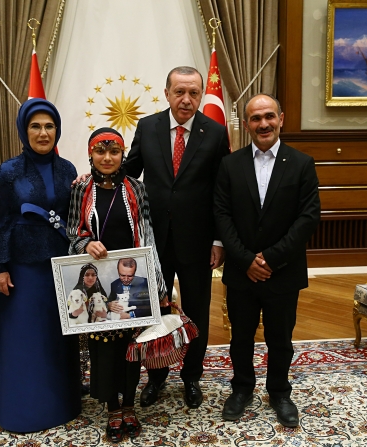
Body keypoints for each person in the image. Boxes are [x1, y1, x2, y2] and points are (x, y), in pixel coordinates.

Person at [0, 98, 81, 433]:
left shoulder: (68, 170)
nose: (43, 133)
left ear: (57, 130)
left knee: (58, 336)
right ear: (23, 130)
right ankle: (26, 410)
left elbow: (75, 215)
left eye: (49, 126)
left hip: (61, 266)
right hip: (23, 269)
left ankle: (64, 403)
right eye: (35, 126)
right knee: (26, 339)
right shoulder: (8, 172)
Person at [125, 66, 230, 409]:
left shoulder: (215, 133)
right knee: (154, 310)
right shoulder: (148, 127)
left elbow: (222, 191)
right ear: (167, 93)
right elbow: (129, 173)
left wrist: (218, 241)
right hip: (153, 241)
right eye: (179, 92)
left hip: (198, 242)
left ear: (201, 95)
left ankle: (192, 376)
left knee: (197, 311)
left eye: (193, 93)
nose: (186, 99)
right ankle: (156, 376)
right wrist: (97, 177)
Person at [213, 93, 321, 427]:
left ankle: (279, 392)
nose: (264, 124)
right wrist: (246, 260)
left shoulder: (302, 163)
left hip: (284, 271)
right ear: (246, 124)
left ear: (281, 119)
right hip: (241, 271)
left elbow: (308, 218)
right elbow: (222, 215)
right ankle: (242, 389)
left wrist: (271, 259)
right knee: (240, 338)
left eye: (269, 116)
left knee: (280, 339)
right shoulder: (230, 164)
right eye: (256, 118)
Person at [67, 127, 168, 443]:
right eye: (101, 151)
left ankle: (129, 405)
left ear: (123, 154)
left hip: (131, 281)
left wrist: (156, 281)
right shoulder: (81, 188)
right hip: (98, 283)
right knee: (105, 345)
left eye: (114, 152)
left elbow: (147, 233)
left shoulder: (136, 188)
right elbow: (72, 231)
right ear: (91, 155)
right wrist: (86, 244)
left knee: (130, 345)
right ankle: (112, 407)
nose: (107, 158)